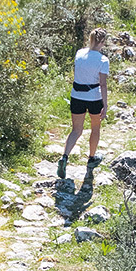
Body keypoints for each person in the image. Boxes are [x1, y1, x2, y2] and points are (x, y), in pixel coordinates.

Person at [57, 27, 109, 178]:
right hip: (94, 98)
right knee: (95, 128)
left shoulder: (79, 53)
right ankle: (91, 158)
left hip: (76, 96)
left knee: (76, 130)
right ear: (103, 42)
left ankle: (64, 157)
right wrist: (105, 105)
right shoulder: (103, 60)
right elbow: (103, 84)